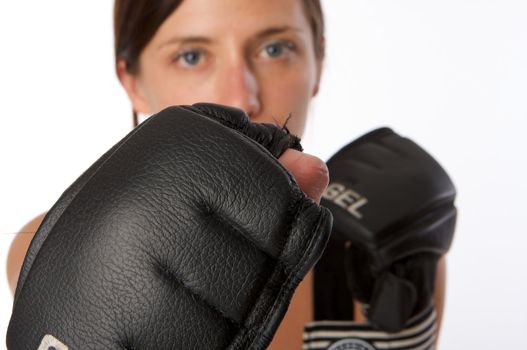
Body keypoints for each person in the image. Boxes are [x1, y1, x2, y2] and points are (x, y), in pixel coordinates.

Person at [6, 1, 447, 349]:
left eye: (275, 48)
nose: (242, 95)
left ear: (318, 61)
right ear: (132, 80)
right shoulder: (52, 246)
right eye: (192, 55)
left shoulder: (386, 258)